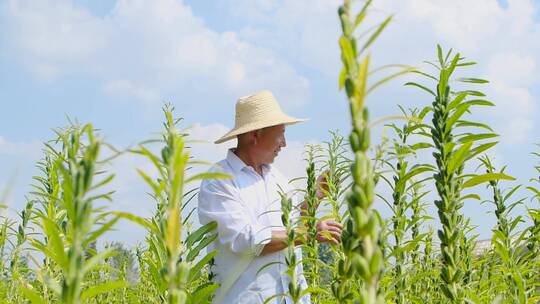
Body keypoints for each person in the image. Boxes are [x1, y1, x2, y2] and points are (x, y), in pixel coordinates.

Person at [198, 90, 343, 304]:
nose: (284, 143)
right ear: (255, 135)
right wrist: (311, 232)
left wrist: (314, 198)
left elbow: (290, 227)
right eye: (281, 133)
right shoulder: (219, 180)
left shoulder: (277, 179)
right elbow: (245, 240)